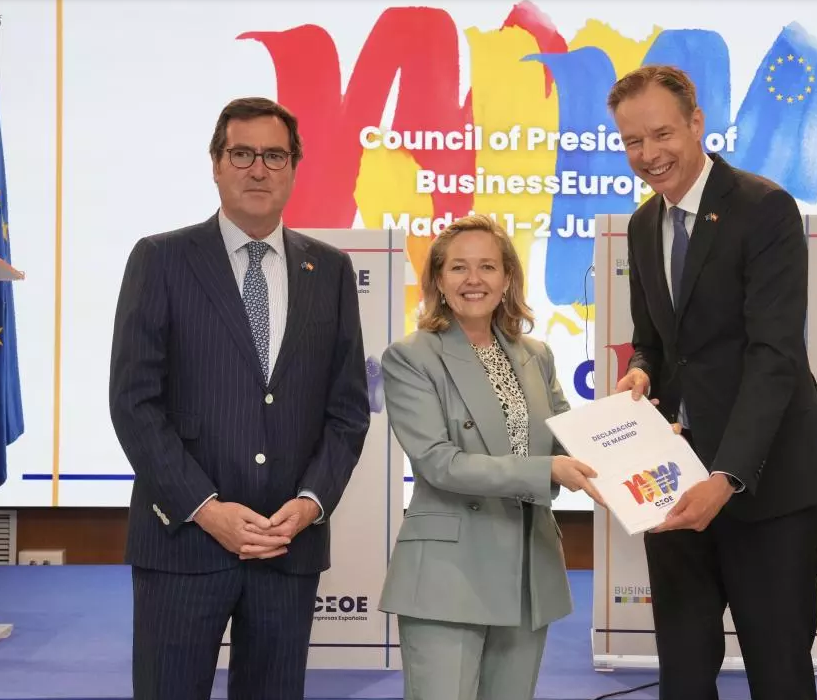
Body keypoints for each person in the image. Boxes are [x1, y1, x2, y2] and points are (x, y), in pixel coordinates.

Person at [108, 96, 370, 700]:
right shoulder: (161, 259)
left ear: (294, 167)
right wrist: (204, 507)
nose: (259, 169)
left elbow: (348, 410)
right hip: (183, 542)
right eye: (242, 153)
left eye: (274, 155)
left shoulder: (328, 271)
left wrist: (310, 503)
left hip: (288, 546)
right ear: (217, 164)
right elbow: (133, 402)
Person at [606, 65, 817, 700]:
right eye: (632, 142)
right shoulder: (643, 225)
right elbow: (655, 341)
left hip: (765, 483)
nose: (648, 155)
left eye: (661, 135)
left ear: (697, 124)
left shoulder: (764, 209)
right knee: (682, 665)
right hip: (675, 482)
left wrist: (727, 476)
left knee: (779, 665)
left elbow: (775, 355)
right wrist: (641, 372)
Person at [376, 214, 602, 700]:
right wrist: (545, 471)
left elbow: (567, 438)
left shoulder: (536, 354)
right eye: (458, 268)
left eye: (487, 267)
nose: (473, 280)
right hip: (450, 574)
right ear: (437, 279)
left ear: (507, 279)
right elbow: (440, 462)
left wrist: (636, 435)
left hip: (528, 571)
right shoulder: (412, 356)